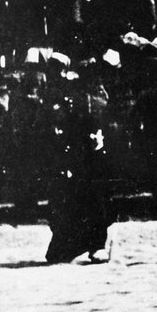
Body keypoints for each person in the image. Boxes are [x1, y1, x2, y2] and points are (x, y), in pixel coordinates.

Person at [45, 111, 113, 264]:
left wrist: (97, 133)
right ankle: (67, 245)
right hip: (65, 140)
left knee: (93, 193)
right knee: (63, 199)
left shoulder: (87, 101)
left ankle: (97, 246)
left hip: (87, 139)